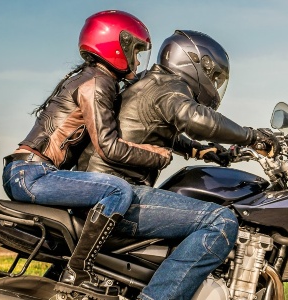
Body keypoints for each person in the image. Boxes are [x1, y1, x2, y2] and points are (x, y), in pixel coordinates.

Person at [77, 30, 277, 300]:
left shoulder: (153, 84)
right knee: (221, 221)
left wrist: (202, 150)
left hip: (105, 191)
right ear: (195, 63)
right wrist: (253, 137)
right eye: (214, 76)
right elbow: (193, 118)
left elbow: (151, 128)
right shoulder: (169, 86)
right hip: (120, 196)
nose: (214, 84)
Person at [1, 10, 171, 289]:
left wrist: (197, 148)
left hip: (26, 170)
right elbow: (108, 147)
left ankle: (55, 283)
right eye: (136, 51)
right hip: (33, 173)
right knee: (117, 190)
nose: (138, 60)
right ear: (118, 45)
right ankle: (78, 270)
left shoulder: (92, 78)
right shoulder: (97, 83)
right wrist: (157, 156)